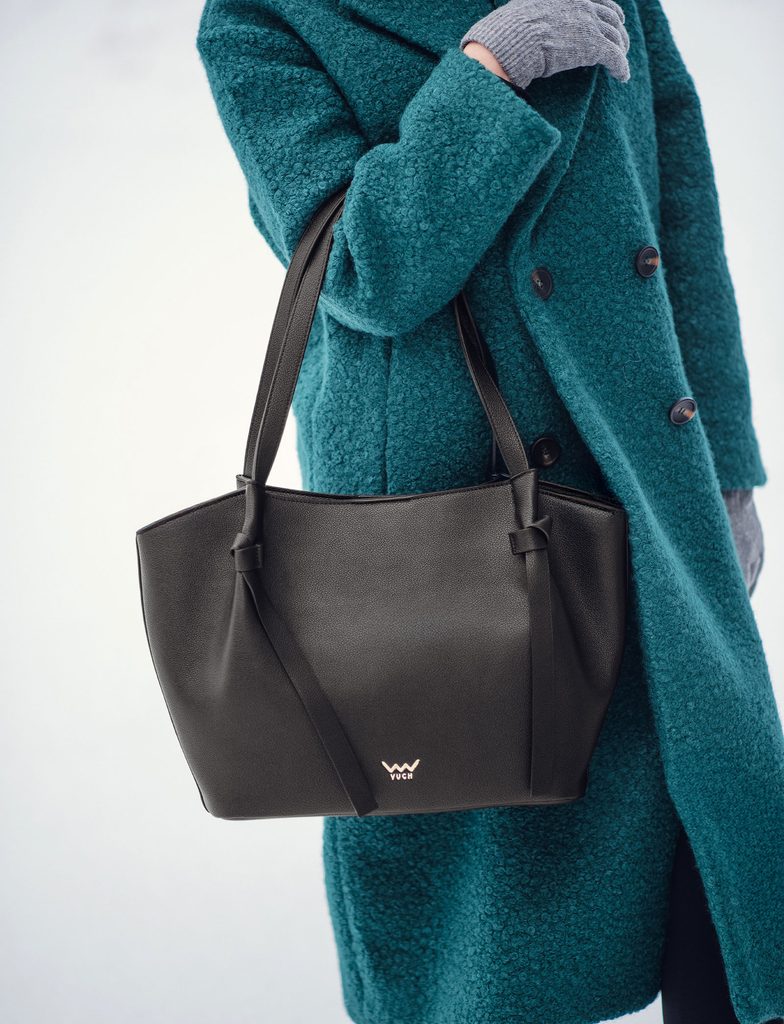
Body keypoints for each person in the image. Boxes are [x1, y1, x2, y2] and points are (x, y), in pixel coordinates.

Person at [195, 1, 784, 1022]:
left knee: (719, 889)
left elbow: (676, 194)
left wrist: (722, 462)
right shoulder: (257, 19)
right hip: (447, 527)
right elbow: (362, 266)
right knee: (488, 944)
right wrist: (487, 72)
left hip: (641, 470)